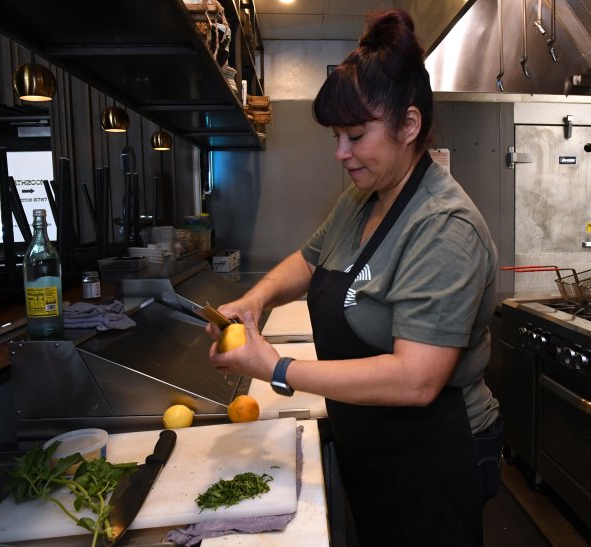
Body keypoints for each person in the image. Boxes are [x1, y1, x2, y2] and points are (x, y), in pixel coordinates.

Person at [207, 9, 502, 547]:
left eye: (356, 135)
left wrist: (277, 368)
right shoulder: (361, 199)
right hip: (372, 441)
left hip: (433, 454)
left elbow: (416, 380)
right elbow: (309, 260)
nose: (341, 153)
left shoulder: (444, 229)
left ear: (409, 125)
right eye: (337, 136)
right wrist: (254, 300)